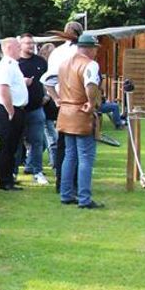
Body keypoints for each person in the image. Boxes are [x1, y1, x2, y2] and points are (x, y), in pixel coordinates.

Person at [57, 34, 103, 209]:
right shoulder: (90, 64)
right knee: (85, 157)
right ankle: (84, 198)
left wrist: (57, 98)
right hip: (81, 113)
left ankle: (66, 194)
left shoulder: (63, 63)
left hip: (65, 112)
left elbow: (47, 81)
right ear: (90, 48)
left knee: (70, 155)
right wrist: (91, 103)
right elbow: (90, 84)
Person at [41, 21, 85, 192]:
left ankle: (62, 183)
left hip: (61, 102)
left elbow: (47, 80)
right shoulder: (78, 51)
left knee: (63, 144)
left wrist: (56, 99)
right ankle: (72, 183)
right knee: (76, 146)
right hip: (75, 102)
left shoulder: (57, 52)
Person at [0, 37, 28, 191]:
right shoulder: (6, 65)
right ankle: (4, 181)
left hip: (15, 109)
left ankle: (9, 177)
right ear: (8, 48)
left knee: (13, 146)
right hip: (9, 110)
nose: (21, 48)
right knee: (7, 146)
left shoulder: (13, 65)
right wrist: (11, 110)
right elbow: (3, 88)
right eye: (17, 46)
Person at [17, 33, 49, 185]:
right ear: (20, 45)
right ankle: (13, 172)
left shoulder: (41, 62)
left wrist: (47, 95)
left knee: (38, 141)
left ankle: (37, 171)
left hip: (37, 108)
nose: (30, 45)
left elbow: (48, 81)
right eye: (27, 43)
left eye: (32, 43)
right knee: (16, 142)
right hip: (19, 109)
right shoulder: (15, 63)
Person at [38, 43, 59, 168]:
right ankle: (54, 161)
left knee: (49, 136)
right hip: (45, 108)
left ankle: (53, 160)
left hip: (50, 108)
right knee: (50, 136)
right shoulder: (45, 69)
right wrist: (47, 96)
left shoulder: (49, 68)